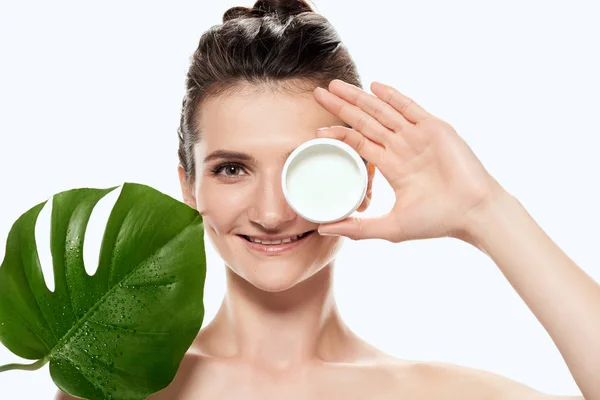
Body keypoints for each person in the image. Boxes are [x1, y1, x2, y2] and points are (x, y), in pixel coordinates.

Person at [57, 0, 599, 398]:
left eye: (305, 167)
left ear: (364, 177)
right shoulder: (110, 385)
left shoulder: (444, 394)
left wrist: (486, 211)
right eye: (231, 168)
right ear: (188, 186)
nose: (271, 213)